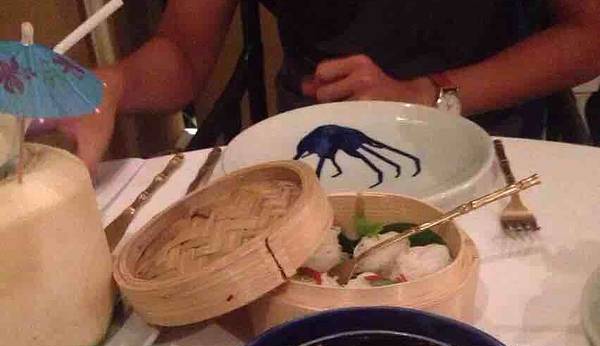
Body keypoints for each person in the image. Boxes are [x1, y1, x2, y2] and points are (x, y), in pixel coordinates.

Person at [52, 0, 600, 172]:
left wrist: (426, 93)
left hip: (488, 135)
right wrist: (112, 82)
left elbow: (588, 33)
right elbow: (181, 52)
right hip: (314, 147)